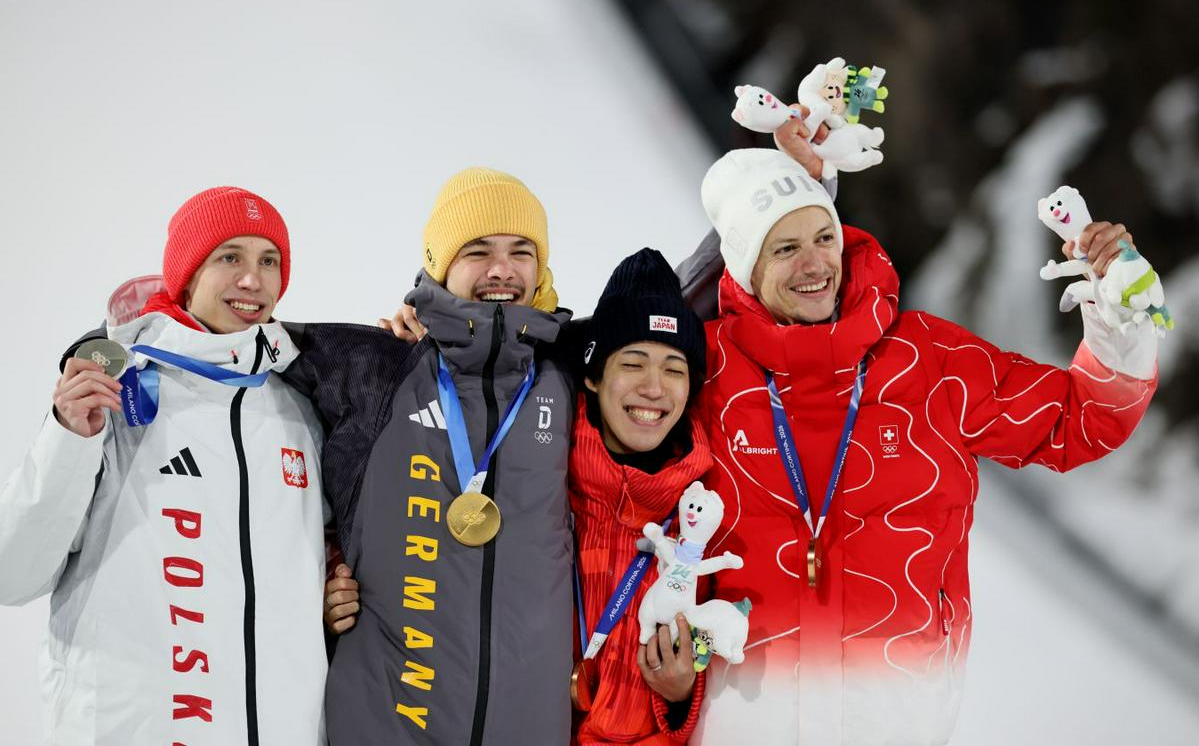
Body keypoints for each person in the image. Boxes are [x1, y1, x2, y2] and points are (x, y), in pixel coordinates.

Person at [689, 147, 1159, 745]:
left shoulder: (928, 361)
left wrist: (1118, 313)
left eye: (824, 237)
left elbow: (1081, 418)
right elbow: (607, 391)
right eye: (784, 248)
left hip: (893, 718)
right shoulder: (702, 372)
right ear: (744, 266)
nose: (814, 264)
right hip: (743, 723)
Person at [0, 187, 328, 745]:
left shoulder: (297, 408)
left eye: (267, 260)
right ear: (187, 272)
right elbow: (13, 573)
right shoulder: (114, 393)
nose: (253, 280)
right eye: (230, 257)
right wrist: (68, 439)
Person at [288, 167, 575, 744]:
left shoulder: (570, 373)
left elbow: (679, 313)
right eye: (478, 251)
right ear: (441, 265)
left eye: (523, 251)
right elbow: (223, 344)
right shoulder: (377, 365)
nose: (503, 269)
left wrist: (799, 178)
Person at [569, 248, 712, 744]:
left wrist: (679, 694)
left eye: (674, 369)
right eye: (633, 363)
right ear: (592, 375)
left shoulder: (704, 514)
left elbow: (713, 647)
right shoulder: (541, 483)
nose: (654, 388)